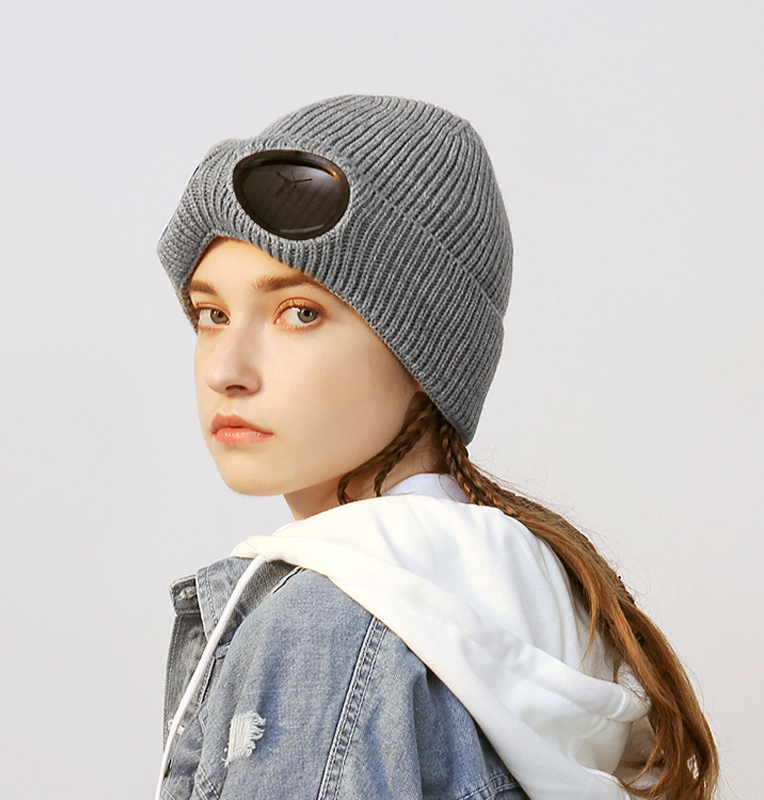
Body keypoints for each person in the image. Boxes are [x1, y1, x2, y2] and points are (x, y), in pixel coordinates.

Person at [154, 95, 718, 800]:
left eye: (299, 312)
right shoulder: (535, 603)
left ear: (426, 353)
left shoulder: (324, 627)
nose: (224, 369)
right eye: (211, 314)